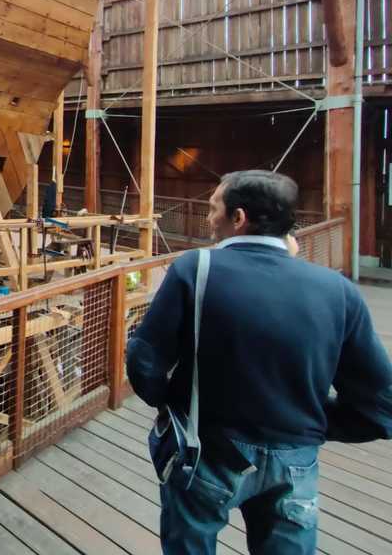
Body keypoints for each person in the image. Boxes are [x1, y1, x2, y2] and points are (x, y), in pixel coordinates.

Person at [127, 170, 392, 555]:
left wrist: (171, 404)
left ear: (238, 218)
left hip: (208, 449)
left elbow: (144, 359)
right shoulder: (338, 290)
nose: (209, 218)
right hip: (294, 459)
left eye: (213, 208)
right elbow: (381, 404)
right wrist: (314, 422)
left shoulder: (196, 268)